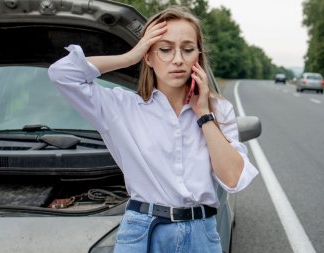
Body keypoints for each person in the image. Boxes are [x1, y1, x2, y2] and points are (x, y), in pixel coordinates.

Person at [48, 5, 258, 253]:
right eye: (166, 50)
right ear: (148, 57)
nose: (178, 59)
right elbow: (62, 74)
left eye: (188, 49)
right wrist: (131, 56)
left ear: (198, 57)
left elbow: (233, 178)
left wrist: (204, 115)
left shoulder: (219, 110)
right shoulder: (121, 107)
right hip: (143, 233)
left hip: (201, 233)